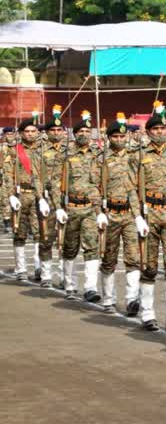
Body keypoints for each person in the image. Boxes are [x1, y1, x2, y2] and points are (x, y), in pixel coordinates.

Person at [128, 102, 166, 332]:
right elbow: (131, 187)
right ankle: (147, 313)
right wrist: (137, 216)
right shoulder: (138, 156)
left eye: (163, 129)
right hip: (149, 213)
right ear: (148, 132)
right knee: (149, 266)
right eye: (155, 129)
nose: (160, 132)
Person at [97, 113, 145, 317]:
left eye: (122, 137)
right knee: (108, 257)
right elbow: (93, 185)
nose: (119, 140)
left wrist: (140, 215)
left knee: (133, 258)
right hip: (110, 213)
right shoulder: (100, 158)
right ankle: (108, 298)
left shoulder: (135, 156)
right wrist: (98, 210)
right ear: (109, 138)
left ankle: (132, 299)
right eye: (115, 137)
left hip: (130, 214)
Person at [53, 110, 101, 301]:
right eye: (80, 132)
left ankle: (90, 287)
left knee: (92, 247)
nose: (83, 134)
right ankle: (70, 284)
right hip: (71, 207)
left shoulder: (98, 154)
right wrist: (58, 207)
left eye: (87, 132)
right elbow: (56, 182)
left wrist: (100, 210)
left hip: (90, 208)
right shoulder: (64, 154)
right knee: (70, 247)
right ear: (74, 134)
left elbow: (101, 182)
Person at [5, 115, 49, 281]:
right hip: (21, 195)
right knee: (20, 233)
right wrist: (11, 196)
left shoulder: (43, 150)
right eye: (27, 131)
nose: (30, 134)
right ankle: (21, 268)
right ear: (22, 133)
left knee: (40, 233)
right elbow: (8, 175)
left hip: (39, 196)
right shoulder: (15, 151)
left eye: (33, 131)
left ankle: (39, 267)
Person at [37, 106, 66, 288]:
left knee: (66, 242)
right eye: (53, 130)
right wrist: (40, 198)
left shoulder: (69, 150)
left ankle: (65, 276)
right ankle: (46, 275)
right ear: (47, 133)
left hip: (67, 201)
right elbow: (36, 177)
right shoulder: (40, 152)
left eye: (59, 129)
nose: (56, 132)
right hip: (48, 202)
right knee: (46, 239)